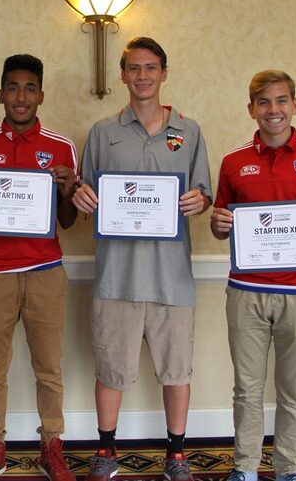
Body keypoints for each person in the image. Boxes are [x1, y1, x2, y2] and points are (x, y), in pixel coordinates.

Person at [72, 37, 212, 481]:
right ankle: (107, 450)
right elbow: (84, 189)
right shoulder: (102, 132)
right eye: (134, 68)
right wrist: (82, 196)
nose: (143, 76)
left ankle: (176, 454)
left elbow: (205, 192)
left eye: (151, 68)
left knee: (176, 370)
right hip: (117, 276)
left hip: (172, 277)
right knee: (111, 368)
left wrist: (200, 200)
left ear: (164, 73)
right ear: (123, 75)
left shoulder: (189, 133)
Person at [209, 70, 296, 481]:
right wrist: (219, 225)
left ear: (295, 105)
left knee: (293, 392)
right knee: (247, 390)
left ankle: (289, 468)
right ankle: (246, 468)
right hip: (247, 292)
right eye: (264, 102)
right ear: (251, 109)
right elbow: (222, 221)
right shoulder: (234, 162)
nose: (274, 110)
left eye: (281, 100)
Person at [0, 55, 78, 481]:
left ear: (41, 95)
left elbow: (66, 221)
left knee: (49, 369)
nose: (21, 97)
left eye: (29, 88)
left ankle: (52, 447)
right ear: (0, 94)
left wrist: (67, 190)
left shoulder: (63, 148)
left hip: (46, 270)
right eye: (12, 88)